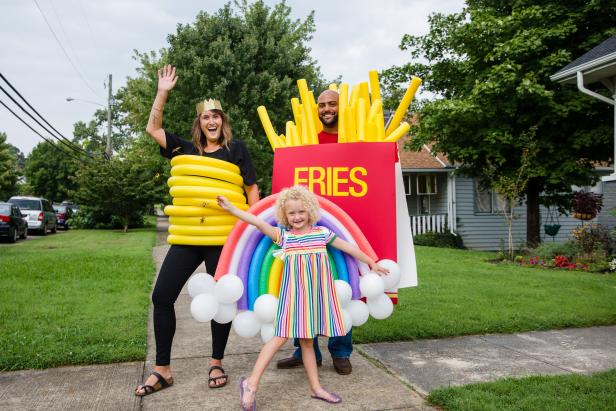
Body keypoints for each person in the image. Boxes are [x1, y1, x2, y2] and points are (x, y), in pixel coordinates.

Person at [135, 65, 260, 396]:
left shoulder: (237, 150)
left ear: (223, 121)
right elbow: (152, 128)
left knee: (222, 299)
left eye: (216, 116)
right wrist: (163, 91)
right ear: (199, 123)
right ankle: (163, 370)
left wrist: (250, 229)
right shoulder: (183, 150)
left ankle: (216, 361)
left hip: (222, 238)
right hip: (189, 237)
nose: (212, 121)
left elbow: (251, 190)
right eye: (206, 117)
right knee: (162, 297)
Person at [216, 186, 388, 409]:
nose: (297, 217)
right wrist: (231, 208)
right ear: (284, 216)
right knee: (279, 338)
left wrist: (371, 261)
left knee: (307, 342)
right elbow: (257, 222)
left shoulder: (322, 235)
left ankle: (315, 388)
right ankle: (251, 383)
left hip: (315, 298)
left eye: (301, 212)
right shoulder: (285, 237)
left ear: (310, 212)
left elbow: (349, 247)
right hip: (293, 299)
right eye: (291, 213)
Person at [276, 89, 356, 375]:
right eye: (321, 105)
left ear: (341, 106)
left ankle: (340, 351)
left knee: (339, 286)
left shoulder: (356, 138)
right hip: (308, 224)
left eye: (332, 104)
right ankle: (305, 350)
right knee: (301, 288)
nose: (326, 109)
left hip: (344, 221)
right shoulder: (308, 140)